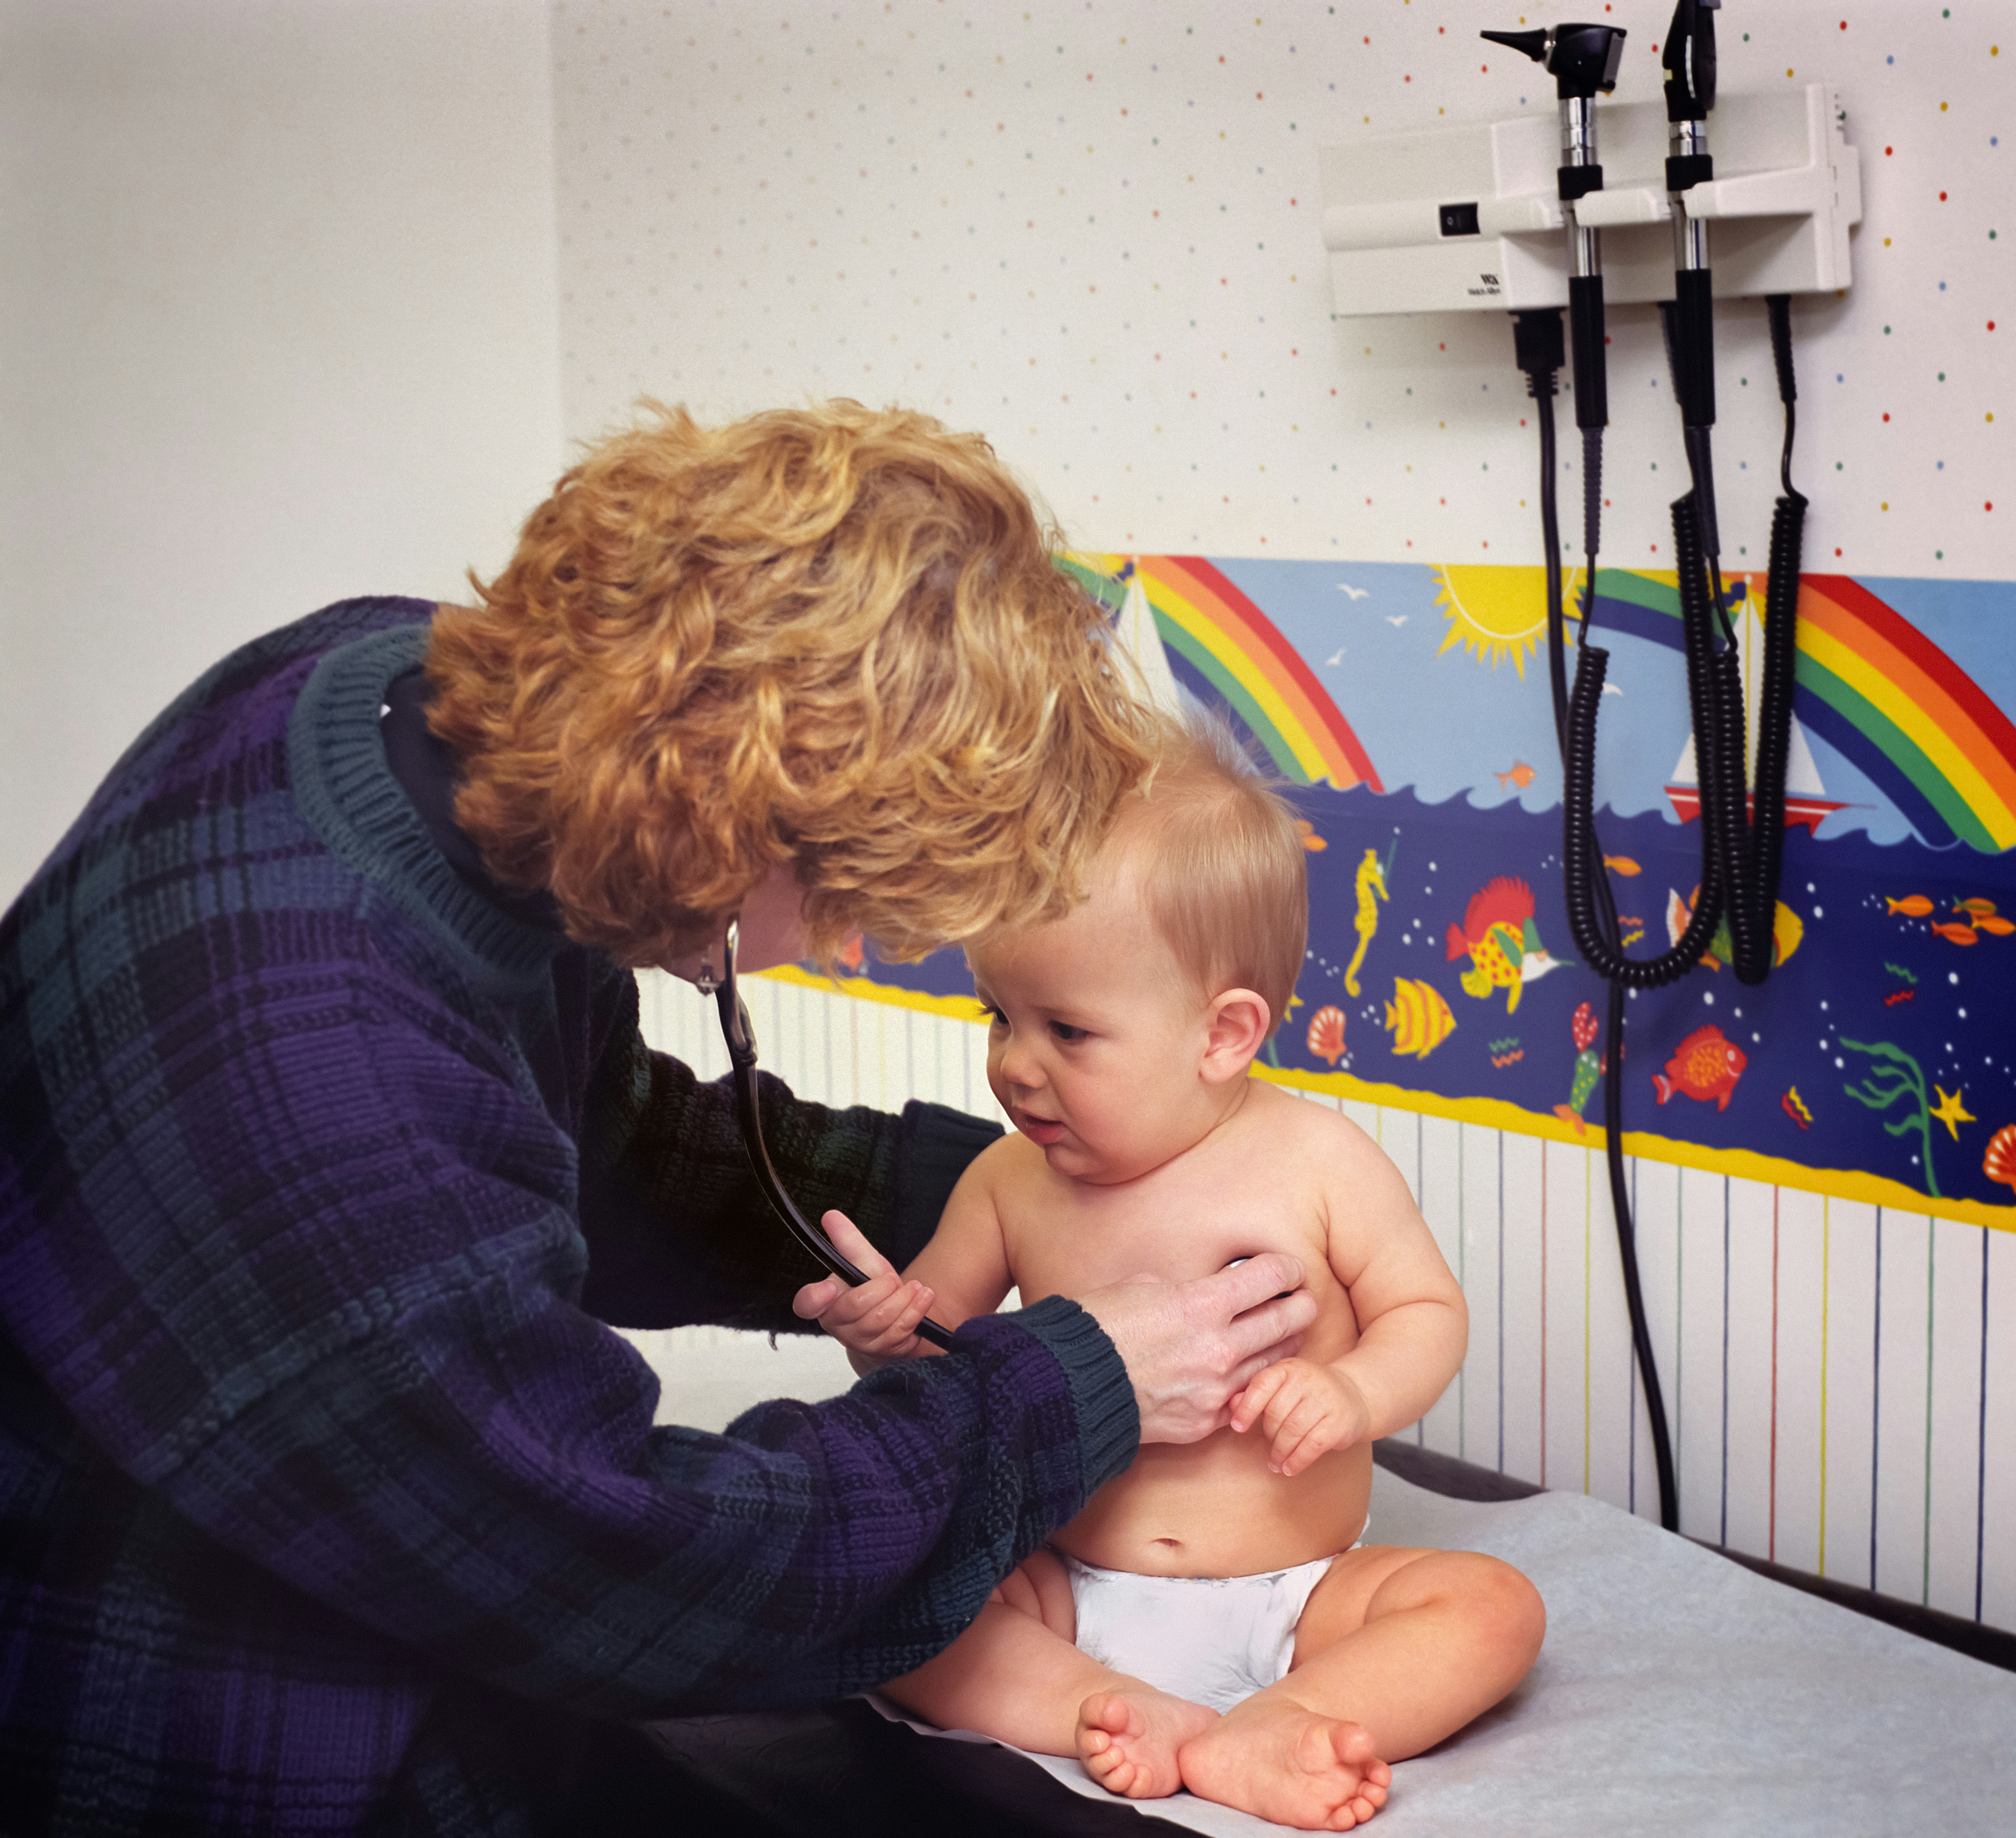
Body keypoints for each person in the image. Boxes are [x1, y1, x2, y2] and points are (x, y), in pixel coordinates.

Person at [0, 401, 1323, 1834]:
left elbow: (597, 1148)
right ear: (732, 814)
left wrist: (1074, 1193)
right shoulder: (315, 1080)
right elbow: (634, 1561)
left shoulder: (413, 693)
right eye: (844, 904)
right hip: (210, 1731)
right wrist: (1069, 1383)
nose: (850, 951)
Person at [799, 711, 1547, 1831]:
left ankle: (1284, 1719)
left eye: (1068, 1030)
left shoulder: (1318, 1162)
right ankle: (1105, 1704)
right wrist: (884, 1332)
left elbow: (1426, 1312)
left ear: (1224, 1034)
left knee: (1492, 1608)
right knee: (897, 1599)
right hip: (1066, 1578)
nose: (1014, 1064)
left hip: (1296, 1599)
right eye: (998, 1014)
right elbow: (939, 1347)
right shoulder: (1009, 1181)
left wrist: (1351, 1392)